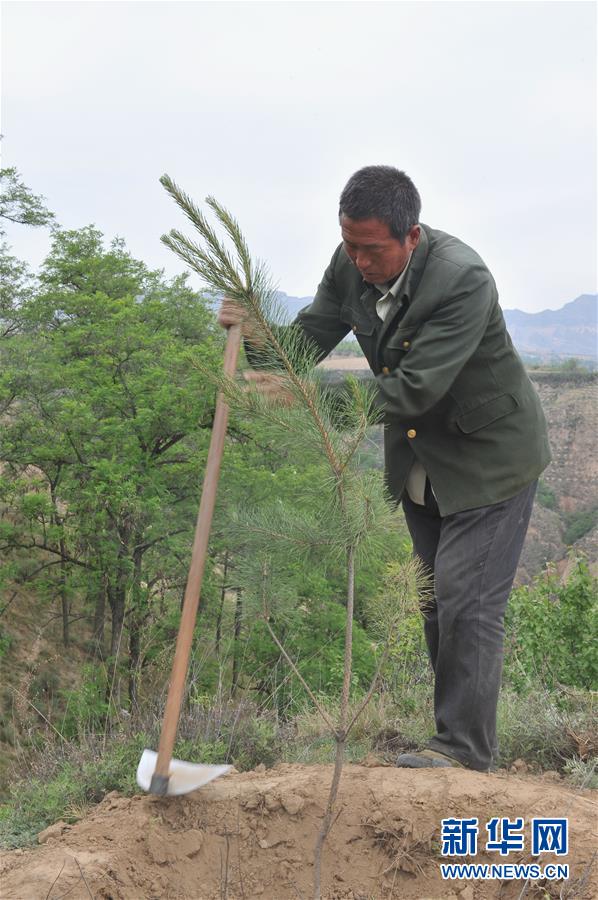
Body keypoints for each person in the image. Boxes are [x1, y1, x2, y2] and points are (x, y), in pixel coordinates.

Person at [219, 165, 551, 772]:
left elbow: (415, 389)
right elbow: (308, 339)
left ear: (412, 236)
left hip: (489, 460)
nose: (358, 260)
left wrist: (311, 397)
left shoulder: (462, 279)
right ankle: (450, 735)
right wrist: (256, 334)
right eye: (349, 244)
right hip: (423, 463)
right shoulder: (349, 262)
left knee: (466, 603)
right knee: (434, 601)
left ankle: (464, 752)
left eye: (372, 249)